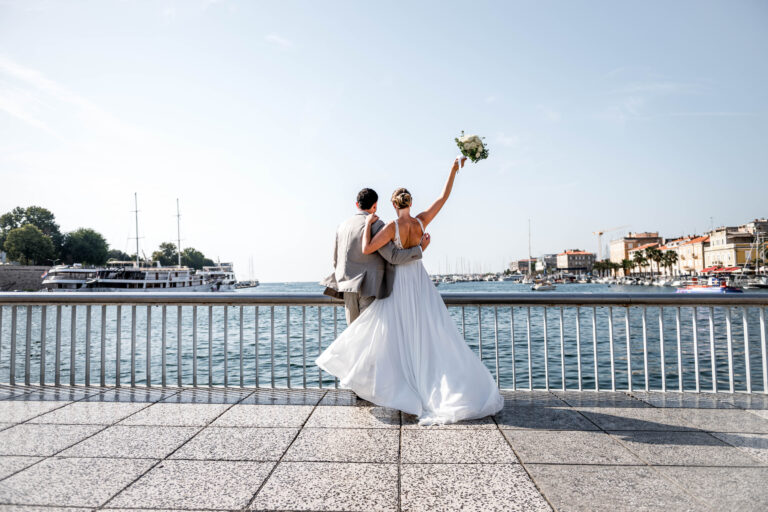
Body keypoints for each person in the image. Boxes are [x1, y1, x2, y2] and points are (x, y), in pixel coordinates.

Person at [317, 157, 504, 425]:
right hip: (420, 283)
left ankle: (398, 387)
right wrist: (452, 171)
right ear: (410, 203)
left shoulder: (391, 227)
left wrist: (369, 225)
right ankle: (430, 385)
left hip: (399, 284)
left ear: (393, 205)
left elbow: (368, 249)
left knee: (392, 337)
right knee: (429, 334)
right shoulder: (420, 223)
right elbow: (443, 198)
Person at [321, 188, 430, 325]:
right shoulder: (377, 225)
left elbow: (335, 261)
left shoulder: (342, 226)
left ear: (357, 205)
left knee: (353, 334)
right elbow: (393, 257)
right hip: (370, 288)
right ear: (374, 206)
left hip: (347, 287)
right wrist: (419, 250)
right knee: (368, 336)